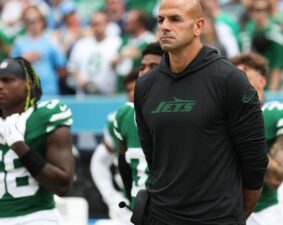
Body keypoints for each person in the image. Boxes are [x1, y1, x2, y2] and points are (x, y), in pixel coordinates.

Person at [134, 0, 268, 225]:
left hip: (217, 219)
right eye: (160, 20)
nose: (165, 26)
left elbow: (255, 164)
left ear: (198, 26)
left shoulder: (230, 81)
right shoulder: (146, 86)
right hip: (160, 217)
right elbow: (154, 160)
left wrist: (233, 216)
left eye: (175, 19)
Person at [90, 42, 163, 224]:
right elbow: (109, 161)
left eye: (153, 66)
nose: (145, 72)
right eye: (142, 67)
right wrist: (116, 197)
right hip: (138, 209)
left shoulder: (185, 113)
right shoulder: (123, 116)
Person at [230, 52, 283, 225]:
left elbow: (276, 178)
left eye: (244, 72)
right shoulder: (219, 115)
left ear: (262, 81)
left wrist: (244, 136)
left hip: (261, 212)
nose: (236, 79)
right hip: (221, 210)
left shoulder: (277, 113)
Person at [0, 57, 75, 224]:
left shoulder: (45, 116)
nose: (0, 86)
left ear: (28, 84)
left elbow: (63, 186)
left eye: (8, 80)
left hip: (37, 217)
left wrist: (19, 146)